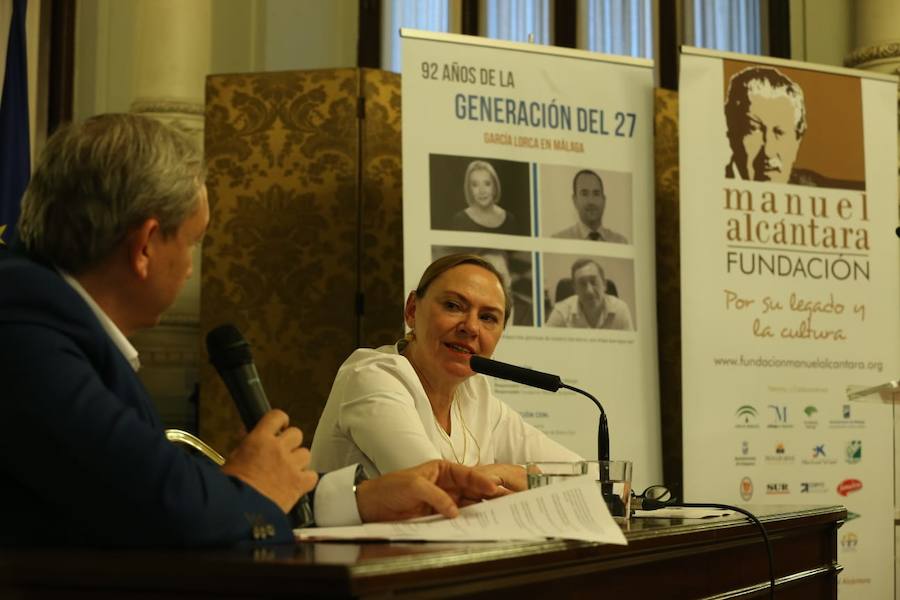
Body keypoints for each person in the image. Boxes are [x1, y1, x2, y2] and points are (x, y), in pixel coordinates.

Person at [0, 114, 499, 548]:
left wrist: (359, 499)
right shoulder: (26, 334)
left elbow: (150, 484)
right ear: (147, 245)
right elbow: (161, 505)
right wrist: (247, 479)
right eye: (194, 243)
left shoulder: (46, 319)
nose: (193, 269)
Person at [309, 254, 581, 489]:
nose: (471, 327)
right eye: (453, 306)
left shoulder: (476, 395)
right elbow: (438, 492)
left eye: (488, 318)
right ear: (412, 310)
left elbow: (582, 474)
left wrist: (516, 477)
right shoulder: (372, 377)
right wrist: (508, 474)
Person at [545, 258, 633, 330]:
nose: (589, 291)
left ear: (604, 284)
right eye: (582, 284)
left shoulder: (620, 310)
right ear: (575, 289)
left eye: (593, 282)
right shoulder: (561, 313)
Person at [552, 170, 628, 243]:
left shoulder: (620, 242)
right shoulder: (558, 241)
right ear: (575, 200)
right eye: (584, 194)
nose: (591, 201)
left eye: (596, 194)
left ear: (604, 200)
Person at [449, 160, 519, 234]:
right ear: (469, 189)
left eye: (487, 184)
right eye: (475, 185)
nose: (482, 191)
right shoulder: (459, 221)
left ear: (495, 187)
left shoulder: (510, 220)